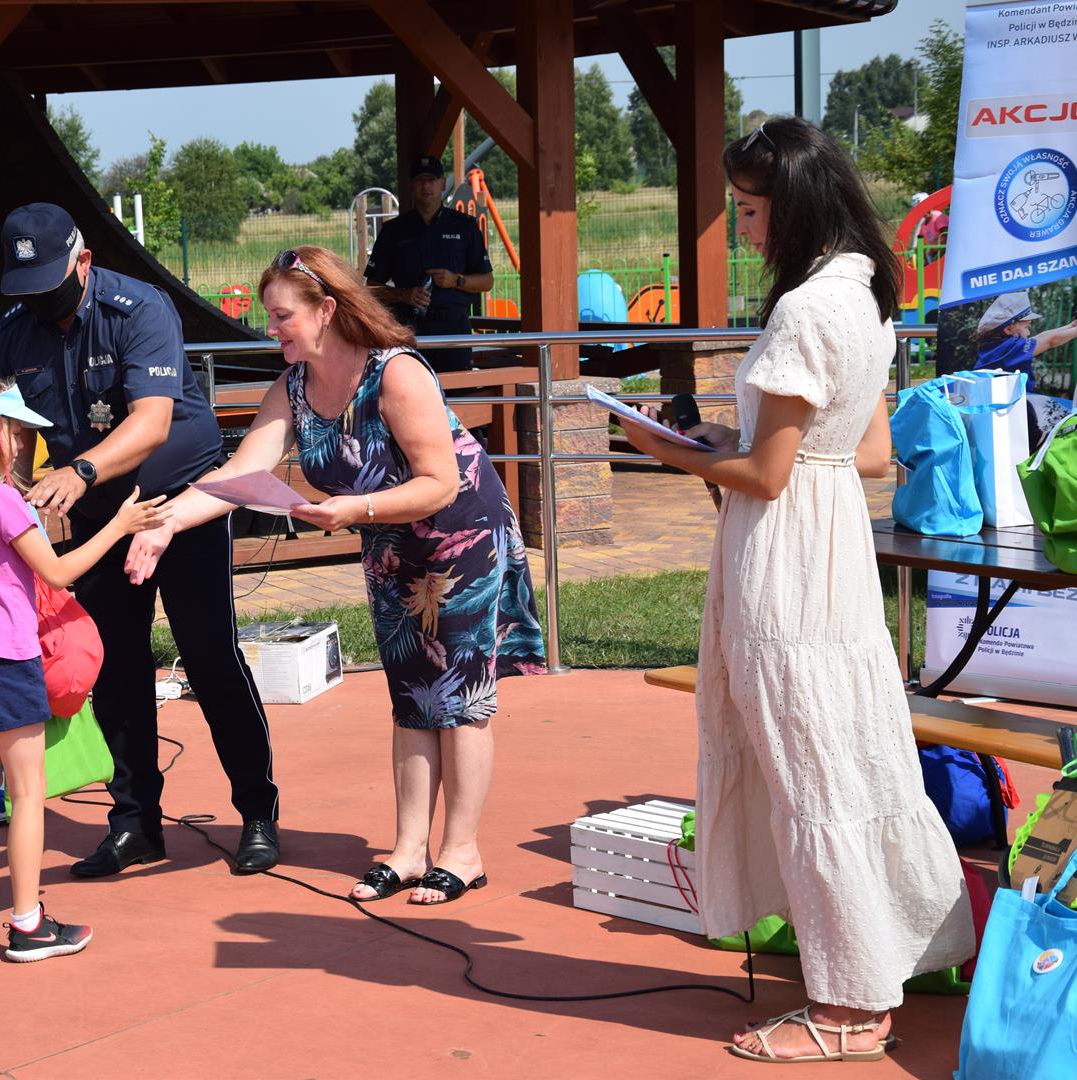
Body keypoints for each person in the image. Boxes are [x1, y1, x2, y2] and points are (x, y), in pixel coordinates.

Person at [622, 117, 974, 1063]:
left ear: (793, 206)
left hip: (784, 553)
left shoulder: (808, 309)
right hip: (833, 550)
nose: (740, 225)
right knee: (852, 753)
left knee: (812, 767)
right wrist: (729, 455)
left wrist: (662, 448)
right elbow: (867, 452)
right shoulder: (865, 294)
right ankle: (900, 951)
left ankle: (852, 1004)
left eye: (747, 207)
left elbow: (766, 477)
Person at [127, 246, 545, 905]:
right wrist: (167, 522)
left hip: (457, 536)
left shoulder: (397, 373)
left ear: (326, 311)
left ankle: (461, 853)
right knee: (411, 698)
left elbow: (438, 482)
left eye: (282, 316)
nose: (272, 330)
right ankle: (409, 851)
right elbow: (241, 476)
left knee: (460, 701)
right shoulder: (291, 387)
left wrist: (357, 508)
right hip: (387, 546)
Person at [0, 202, 282, 878]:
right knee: (113, 669)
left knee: (209, 659)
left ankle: (258, 812)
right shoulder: (16, 330)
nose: (40, 301)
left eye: (51, 284)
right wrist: (10, 500)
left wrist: (79, 470)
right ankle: (134, 825)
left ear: (83, 261)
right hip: (97, 522)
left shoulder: (139, 309)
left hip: (179, 506)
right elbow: (14, 429)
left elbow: (151, 424)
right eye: (26, 289)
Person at [0, 373, 168, 958]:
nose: (25, 443)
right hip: (3, 659)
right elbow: (57, 572)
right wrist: (119, 528)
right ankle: (28, 924)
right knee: (27, 793)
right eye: (20, 432)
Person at [363, 154, 494, 373]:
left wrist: (456, 280)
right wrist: (404, 295)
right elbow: (372, 289)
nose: (426, 186)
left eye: (431, 180)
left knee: (457, 395)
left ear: (442, 184)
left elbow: (487, 281)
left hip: (454, 331)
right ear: (412, 185)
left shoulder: (465, 227)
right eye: (420, 180)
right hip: (409, 330)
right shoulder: (394, 231)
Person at [971, 291, 1077, 377]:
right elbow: (1050, 341)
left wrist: (1070, 326)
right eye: (1026, 327)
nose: (1029, 332)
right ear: (1008, 329)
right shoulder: (1009, 348)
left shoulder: (999, 345)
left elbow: (1041, 337)